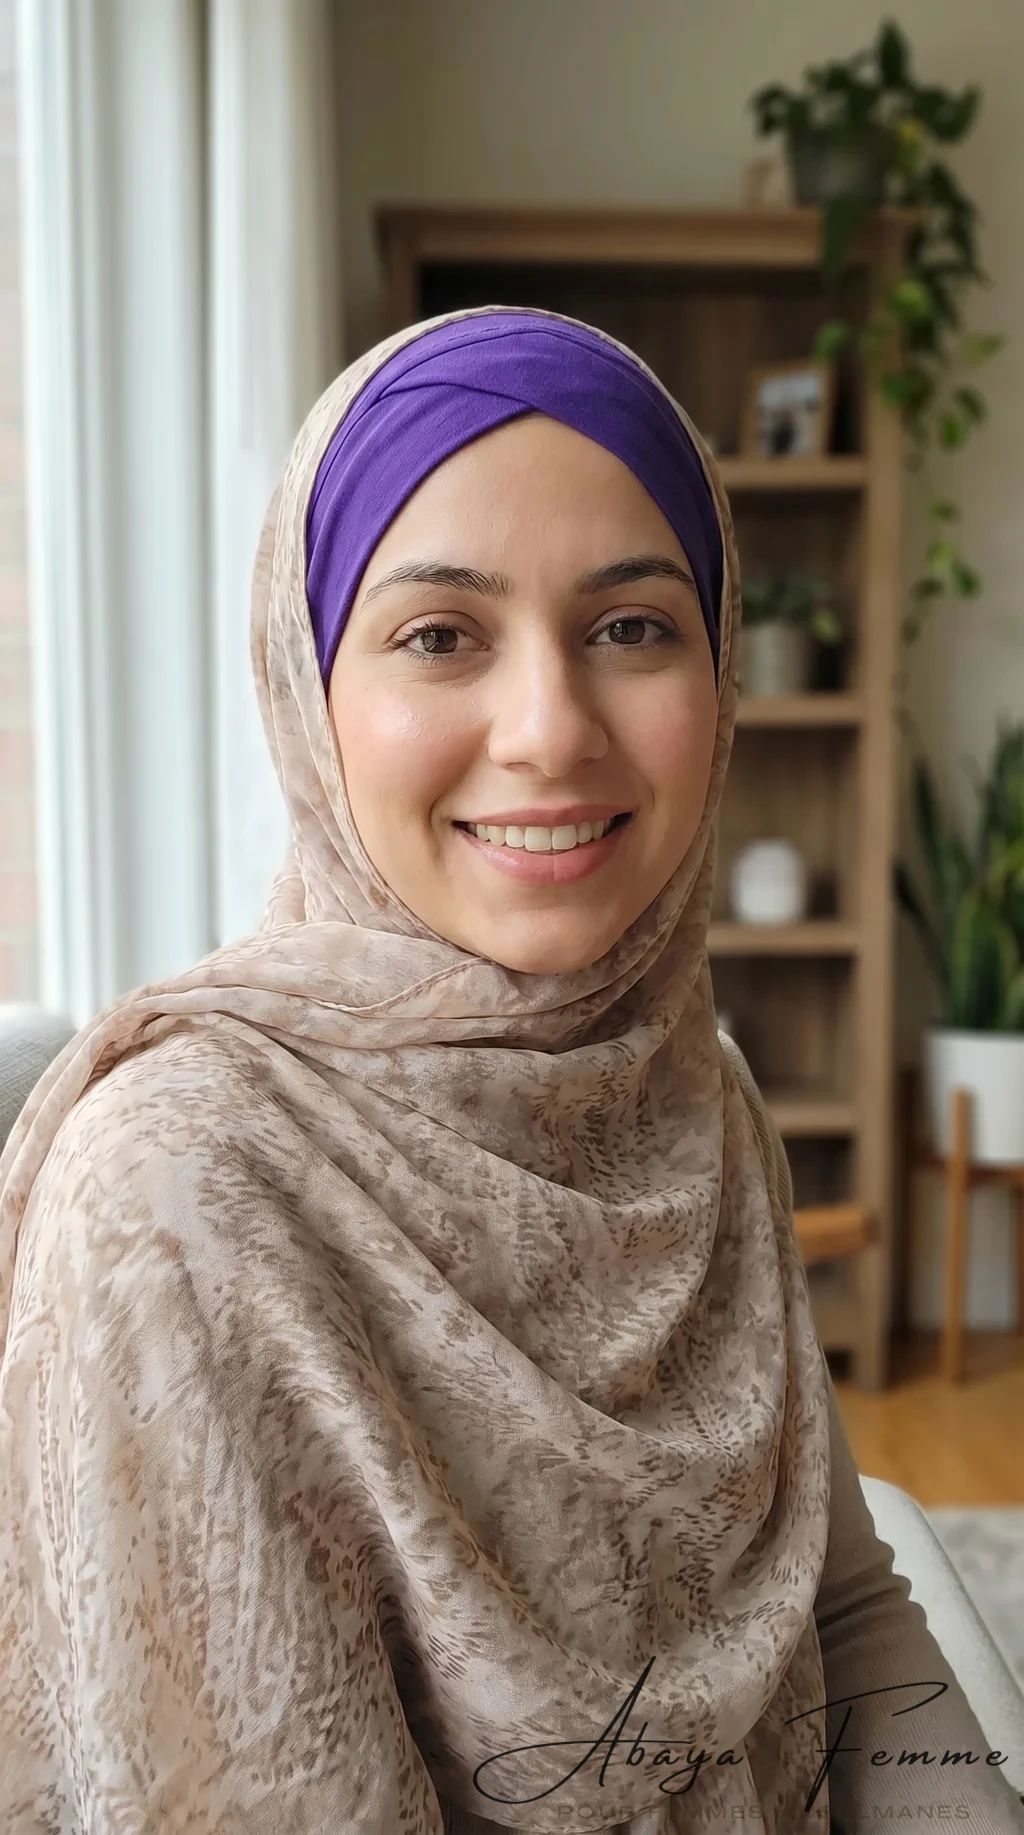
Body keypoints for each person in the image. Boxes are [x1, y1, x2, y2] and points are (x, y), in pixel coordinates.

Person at [0, 306, 1021, 1835]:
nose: (548, 730)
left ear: (721, 670)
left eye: (633, 626)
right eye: (439, 635)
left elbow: (844, 1608)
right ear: (306, 687)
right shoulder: (179, 1199)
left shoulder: (697, 1089)